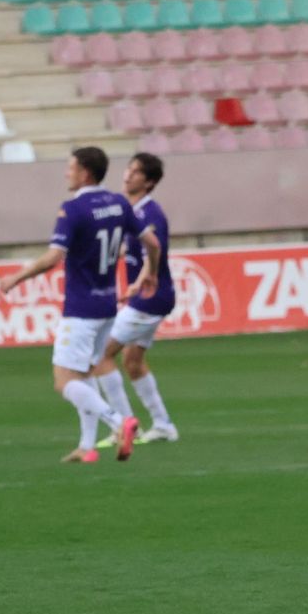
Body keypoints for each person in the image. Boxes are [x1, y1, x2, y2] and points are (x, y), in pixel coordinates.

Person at [1, 147, 161, 463]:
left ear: (85, 173)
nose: (67, 173)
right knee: (85, 374)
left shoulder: (73, 209)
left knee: (64, 381)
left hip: (80, 310)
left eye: (71, 167)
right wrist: (151, 273)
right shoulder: (119, 203)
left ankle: (119, 422)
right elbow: (152, 244)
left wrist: (16, 278)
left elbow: (54, 257)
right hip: (107, 307)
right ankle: (87, 446)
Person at [91, 153, 178, 447]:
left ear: (149, 182)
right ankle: (163, 425)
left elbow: (154, 254)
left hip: (150, 297)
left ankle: (125, 426)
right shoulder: (132, 210)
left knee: (100, 355)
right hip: (149, 297)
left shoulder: (150, 214)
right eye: (128, 169)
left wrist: (139, 283)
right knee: (133, 361)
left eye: (136, 172)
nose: (127, 175)